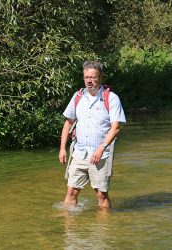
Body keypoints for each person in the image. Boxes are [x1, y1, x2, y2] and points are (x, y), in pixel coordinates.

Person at [59, 60, 126, 208]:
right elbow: (68, 123)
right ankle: (69, 229)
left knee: (101, 194)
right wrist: (62, 148)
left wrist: (101, 148)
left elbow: (115, 128)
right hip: (79, 153)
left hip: (101, 154)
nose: (89, 81)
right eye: (86, 78)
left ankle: (103, 228)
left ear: (101, 77)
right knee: (71, 192)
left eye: (93, 77)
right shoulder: (78, 97)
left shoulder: (111, 98)